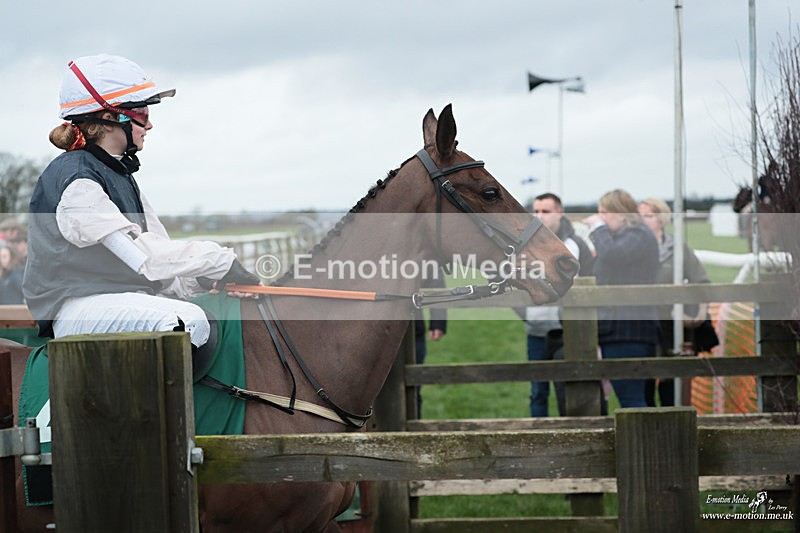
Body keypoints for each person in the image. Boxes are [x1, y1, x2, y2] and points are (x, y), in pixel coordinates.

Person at [23, 54, 260, 351]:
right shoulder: (78, 180)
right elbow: (142, 258)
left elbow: (160, 268)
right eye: (143, 114)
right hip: (78, 308)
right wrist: (219, 261)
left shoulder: (120, 175)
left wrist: (202, 280)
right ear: (110, 119)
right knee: (189, 322)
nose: (149, 125)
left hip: (120, 300)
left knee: (208, 311)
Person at [638, 198, 719, 406]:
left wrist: (699, 312)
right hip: (643, 326)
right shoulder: (633, 250)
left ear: (661, 219)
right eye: (640, 216)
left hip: (673, 329)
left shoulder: (678, 249)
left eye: (648, 216)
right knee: (643, 385)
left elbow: (701, 282)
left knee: (672, 386)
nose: (643, 220)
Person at [518, 193, 593, 417]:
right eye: (536, 211)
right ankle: (536, 435)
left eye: (546, 211)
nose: (539, 216)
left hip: (568, 331)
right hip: (536, 330)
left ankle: (571, 431)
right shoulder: (524, 245)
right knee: (538, 391)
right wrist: (526, 313)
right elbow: (513, 282)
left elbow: (591, 282)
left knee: (567, 388)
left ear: (559, 213)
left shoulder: (576, 245)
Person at [584, 189, 660, 409]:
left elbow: (613, 254)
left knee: (632, 400)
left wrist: (598, 229)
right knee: (636, 398)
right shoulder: (627, 236)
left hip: (628, 331)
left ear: (621, 213)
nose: (600, 217)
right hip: (620, 330)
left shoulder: (639, 234)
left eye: (604, 212)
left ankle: (639, 434)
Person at [413, 275, 447, 416]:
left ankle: (412, 427)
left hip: (413, 330)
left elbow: (434, 276)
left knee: (413, 387)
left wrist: (437, 321)